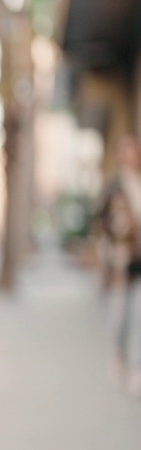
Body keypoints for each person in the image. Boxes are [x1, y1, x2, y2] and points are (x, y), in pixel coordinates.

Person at [97, 134, 141, 394]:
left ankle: (136, 369)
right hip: (121, 261)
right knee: (121, 316)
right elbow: (102, 219)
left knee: (140, 317)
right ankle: (119, 357)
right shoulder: (114, 185)